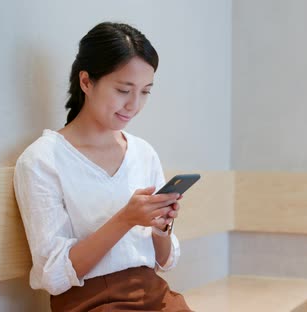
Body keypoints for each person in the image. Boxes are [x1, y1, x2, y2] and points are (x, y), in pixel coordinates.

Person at [13, 22, 192, 311]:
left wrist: (161, 229)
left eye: (145, 92)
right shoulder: (42, 160)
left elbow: (163, 262)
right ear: (86, 82)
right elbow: (54, 276)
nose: (134, 105)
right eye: (123, 90)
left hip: (157, 297)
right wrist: (125, 219)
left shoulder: (144, 153)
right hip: (93, 303)